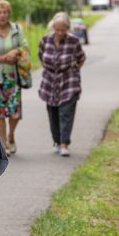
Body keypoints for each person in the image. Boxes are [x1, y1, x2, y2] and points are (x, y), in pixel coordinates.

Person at [38, 11, 86, 157]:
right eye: (57, 29)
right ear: (52, 27)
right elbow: (41, 56)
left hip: (68, 82)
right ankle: (57, 141)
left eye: (63, 30)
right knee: (53, 114)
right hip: (50, 82)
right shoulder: (45, 40)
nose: (59, 32)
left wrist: (72, 70)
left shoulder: (74, 41)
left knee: (66, 113)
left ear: (67, 28)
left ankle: (65, 143)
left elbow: (81, 58)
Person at [0, 0, 28, 154]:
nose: (2, 15)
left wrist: (17, 52)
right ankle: (4, 143)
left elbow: (25, 47)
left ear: (9, 14)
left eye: (5, 12)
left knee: (15, 112)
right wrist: (3, 58)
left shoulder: (17, 29)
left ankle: (11, 135)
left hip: (12, 77)